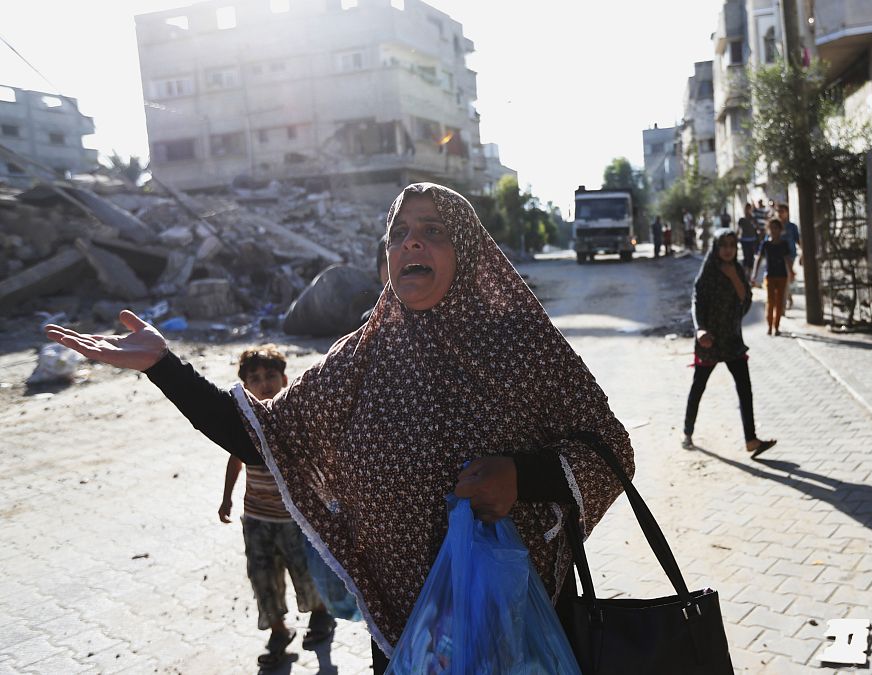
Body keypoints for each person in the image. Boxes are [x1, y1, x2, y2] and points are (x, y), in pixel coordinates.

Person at [46, 183, 636, 674]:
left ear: (469, 251)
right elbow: (263, 437)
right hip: (408, 639)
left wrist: (521, 476)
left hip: (516, 626)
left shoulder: (521, 344)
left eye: (432, 230)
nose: (412, 241)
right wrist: (163, 366)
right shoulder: (363, 357)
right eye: (400, 231)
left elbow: (612, 448)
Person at [219, 345, 335, 667]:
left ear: (284, 379)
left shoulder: (290, 417)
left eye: (271, 375)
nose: (264, 383)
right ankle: (278, 631)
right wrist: (227, 497)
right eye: (254, 378)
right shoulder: (245, 423)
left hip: (293, 518)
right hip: (256, 517)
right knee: (262, 576)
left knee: (305, 572)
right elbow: (236, 458)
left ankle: (321, 616)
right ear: (245, 385)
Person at [682, 228, 777, 457]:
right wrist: (700, 329)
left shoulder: (737, 270)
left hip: (733, 340)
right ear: (716, 247)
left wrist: (735, 279)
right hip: (709, 341)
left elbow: (745, 304)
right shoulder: (708, 272)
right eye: (723, 245)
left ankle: (751, 440)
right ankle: (687, 432)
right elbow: (696, 301)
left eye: (732, 246)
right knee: (698, 387)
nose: (728, 250)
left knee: (745, 390)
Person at [752, 219, 794, 336]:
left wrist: (791, 272)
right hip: (769, 276)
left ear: (781, 230)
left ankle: (777, 327)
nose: (774, 230)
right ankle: (769, 326)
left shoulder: (784, 244)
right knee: (770, 301)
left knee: (780, 302)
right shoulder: (765, 244)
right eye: (772, 228)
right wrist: (754, 274)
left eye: (776, 228)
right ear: (768, 230)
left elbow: (787, 259)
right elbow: (759, 259)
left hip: (782, 276)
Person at [775, 204, 801, 310]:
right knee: (782, 279)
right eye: (778, 211)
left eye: (782, 211)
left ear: (787, 212)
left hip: (790, 256)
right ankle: (788, 298)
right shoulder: (775, 226)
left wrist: (802, 254)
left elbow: (798, 240)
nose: (780, 213)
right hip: (776, 257)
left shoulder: (792, 227)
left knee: (786, 278)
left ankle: (784, 302)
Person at [737, 203, 758, 269]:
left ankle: (750, 271)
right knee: (746, 256)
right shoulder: (742, 220)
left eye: (749, 208)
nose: (747, 210)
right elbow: (738, 229)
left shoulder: (753, 219)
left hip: (752, 239)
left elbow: (757, 227)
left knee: (751, 256)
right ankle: (745, 271)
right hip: (744, 239)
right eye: (746, 208)